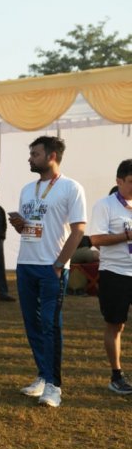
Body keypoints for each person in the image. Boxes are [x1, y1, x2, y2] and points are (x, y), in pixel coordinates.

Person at [10, 136, 86, 408]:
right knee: (32, 323)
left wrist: (59, 264)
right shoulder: (27, 189)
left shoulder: (71, 187)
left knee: (50, 325)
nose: (30, 158)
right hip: (26, 264)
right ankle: (43, 376)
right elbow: (30, 227)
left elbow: (78, 230)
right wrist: (20, 224)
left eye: (35, 154)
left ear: (52, 156)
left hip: (52, 267)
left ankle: (54, 386)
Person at [87, 160, 132, 394]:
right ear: (119, 181)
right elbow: (96, 239)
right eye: (131, 182)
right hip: (115, 273)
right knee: (116, 324)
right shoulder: (105, 205)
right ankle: (116, 376)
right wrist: (127, 235)